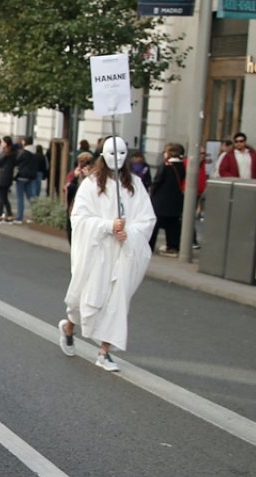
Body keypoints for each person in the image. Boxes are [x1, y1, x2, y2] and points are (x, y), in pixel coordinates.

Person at [59, 136, 155, 373]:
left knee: (117, 302)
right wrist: (108, 225)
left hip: (123, 254)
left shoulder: (135, 185)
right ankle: (69, 327)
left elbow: (147, 218)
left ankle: (104, 351)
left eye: (122, 154)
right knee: (87, 299)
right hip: (98, 253)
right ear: (103, 155)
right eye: (113, 154)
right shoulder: (91, 185)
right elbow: (79, 218)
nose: (118, 159)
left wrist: (129, 233)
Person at [149, 143, 186, 257]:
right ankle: (173, 246)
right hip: (175, 201)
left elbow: (157, 182)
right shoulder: (182, 167)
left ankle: (149, 246)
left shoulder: (165, 166)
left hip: (161, 202)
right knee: (173, 225)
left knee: (154, 225)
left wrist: (151, 194)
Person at [64, 151, 95, 246]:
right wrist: (74, 178)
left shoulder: (94, 177)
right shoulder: (74, 174)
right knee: (71, 234)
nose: (83, 166)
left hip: (86, 211)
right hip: (73, 208)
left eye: (87, 163)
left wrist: (89, 177)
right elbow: (67, 188)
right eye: (81, 162)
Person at [13, 137, 37, 224]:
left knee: (20, 198)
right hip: (30, 177)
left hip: (21, 176)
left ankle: (19, 217)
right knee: (31, 197)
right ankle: (35, 215)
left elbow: (16, 161)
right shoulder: (35, 152)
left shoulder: (24, 153)